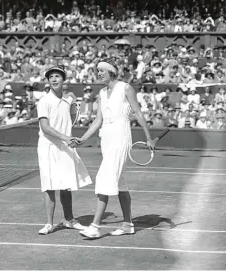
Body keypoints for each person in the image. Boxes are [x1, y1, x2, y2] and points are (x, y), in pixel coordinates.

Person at [71, 58, 155, 238]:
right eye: (98, 71)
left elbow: (138, 113)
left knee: (104, 177)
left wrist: (148, 137)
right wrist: (83, 138)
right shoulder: (101, 92)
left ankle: (95, 226)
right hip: (106, 138)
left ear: (111, 72)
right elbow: (98, 120)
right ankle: (127, 224)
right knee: (119, 182)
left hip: (120, 135)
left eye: (101, 70)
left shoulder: (126, 88)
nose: (98, 73)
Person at [37, 65, 92, 235]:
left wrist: (74, 101)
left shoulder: (68, 99)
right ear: (48, 80)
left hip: (65, 146)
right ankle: (49, 223)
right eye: (51, 77)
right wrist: (66, 137)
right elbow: (45, 128)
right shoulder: (44, 101)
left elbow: (75, 115)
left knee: (67, 185)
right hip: (48, 147)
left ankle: (69, 220)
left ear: (63, 80)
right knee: (50, 186)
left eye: (57, 76)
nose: (54, 79)